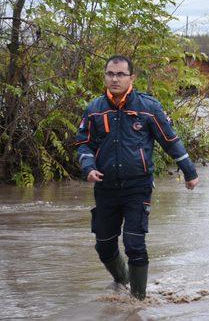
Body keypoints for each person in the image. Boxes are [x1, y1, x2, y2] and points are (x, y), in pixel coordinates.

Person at [75, 55, 199, 300]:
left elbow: (169, 139)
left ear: (131, 78)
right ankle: (122, 281)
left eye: (120, 74)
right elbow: (83, 145)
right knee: (104, 246)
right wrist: (88, 167)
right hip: (105, 187)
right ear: (105, 76)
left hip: (138, 187)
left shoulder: (148, 107)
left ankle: (138, 302)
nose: (115, 79)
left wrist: (189, 171)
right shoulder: (94, 109)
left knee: (134, 244)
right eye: (110, 74)